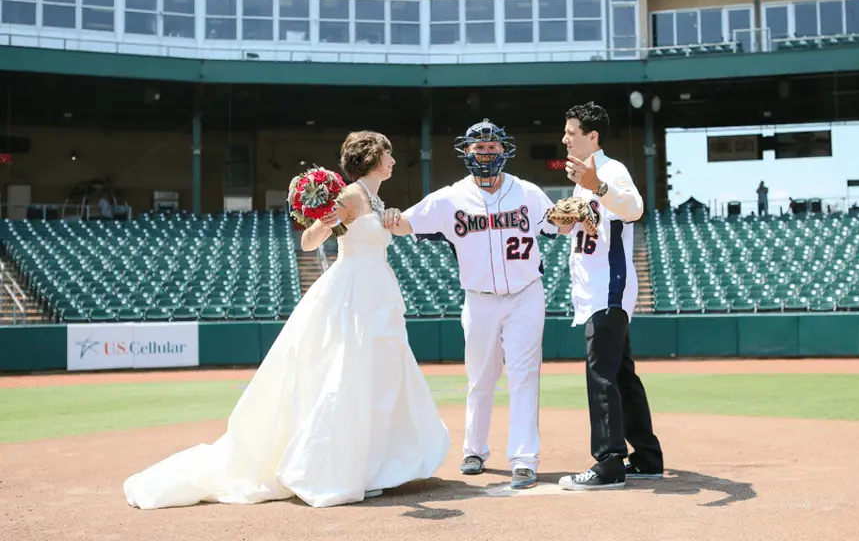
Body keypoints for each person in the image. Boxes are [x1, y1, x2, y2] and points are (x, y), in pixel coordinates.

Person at [122, 131, 450, 510]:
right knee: (350, 375)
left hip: (376, 290)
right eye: (389, 153)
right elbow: (309, 242)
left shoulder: (374, 199)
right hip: (354, 291)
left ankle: (371, 467)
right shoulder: (352, 196)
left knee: (377, 375)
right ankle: (337, 469)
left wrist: (393, 219)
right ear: (375, 158)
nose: (394, 159)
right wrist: (326, 223)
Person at [389, 119, 559, 490]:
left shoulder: (528, 192)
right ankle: (474, 450)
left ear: (504, 150)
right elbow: (403, 224)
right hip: (479, 299)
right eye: (479, 148)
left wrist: (572, 215)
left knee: (524, 376)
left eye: (492, 148)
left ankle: (524, 459)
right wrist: (384, 215)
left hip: (526, 294)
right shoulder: (449, 198)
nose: (485, 153)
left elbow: (557, 225)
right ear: (466, 152)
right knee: (480, 378)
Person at [554, 102, 664, 491]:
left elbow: (634, 209)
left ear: (592, 136)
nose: (565, 138)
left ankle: (608, 463)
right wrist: (569, 219)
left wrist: (596, 185)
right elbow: (593, 225)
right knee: (621, 374)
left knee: (601, 374)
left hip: (609, 286)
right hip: (596, 287)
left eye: (571, 131)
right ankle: (647, 457)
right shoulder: (581, 178)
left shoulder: (611, 170)